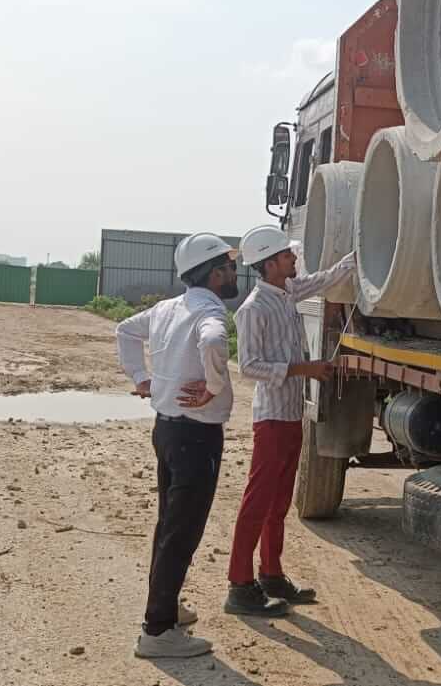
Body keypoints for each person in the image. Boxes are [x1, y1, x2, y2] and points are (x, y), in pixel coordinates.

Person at [115, 232, 239, 659]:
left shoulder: (168, 308)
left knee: (169, 526)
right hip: (196, 435)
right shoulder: (210, 310)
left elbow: (125, 331)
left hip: (167, 431)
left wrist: (141, 378)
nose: (234, 272)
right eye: (229, 266)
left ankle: (165, 607)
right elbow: (212, 342)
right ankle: (157, 630)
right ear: (214, 272)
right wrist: (215, 386)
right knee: (181, 532)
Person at [223, 225, 355, 617]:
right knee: (257, 502)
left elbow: (326, 278)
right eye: (287, 257)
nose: (294, 260)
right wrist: (303, 369)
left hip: (291, 415)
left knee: (279, 502)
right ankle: (239, 585)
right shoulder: (252, 310)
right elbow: (248, 366)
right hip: (271, 419)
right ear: (268, 264)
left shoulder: (289, 292)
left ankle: (272, 573)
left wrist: (357, 252)